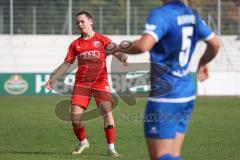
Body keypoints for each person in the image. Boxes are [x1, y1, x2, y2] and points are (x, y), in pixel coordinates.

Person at [111, 0, 220, 160]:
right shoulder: (192, 15)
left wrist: (116, 48)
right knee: (173, 155)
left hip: (167, 94)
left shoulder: (162, 14)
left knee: (161, 157)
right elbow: (215, 44)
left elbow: (143, 45)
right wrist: (203, 62)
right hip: (187, 91)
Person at [45, 11, 127, 157]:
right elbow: (67, 63)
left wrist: (123, 57)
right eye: (77, 23)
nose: (80, 24)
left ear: (91, 21)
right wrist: (54, 78)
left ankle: (111, 148)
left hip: (100, 82)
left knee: (107, 115)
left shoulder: (102, 39)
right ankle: (83, 142)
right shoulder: (75, 44)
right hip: (81, 84)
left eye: (82, 21)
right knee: (75, 118)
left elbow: (116, 51)